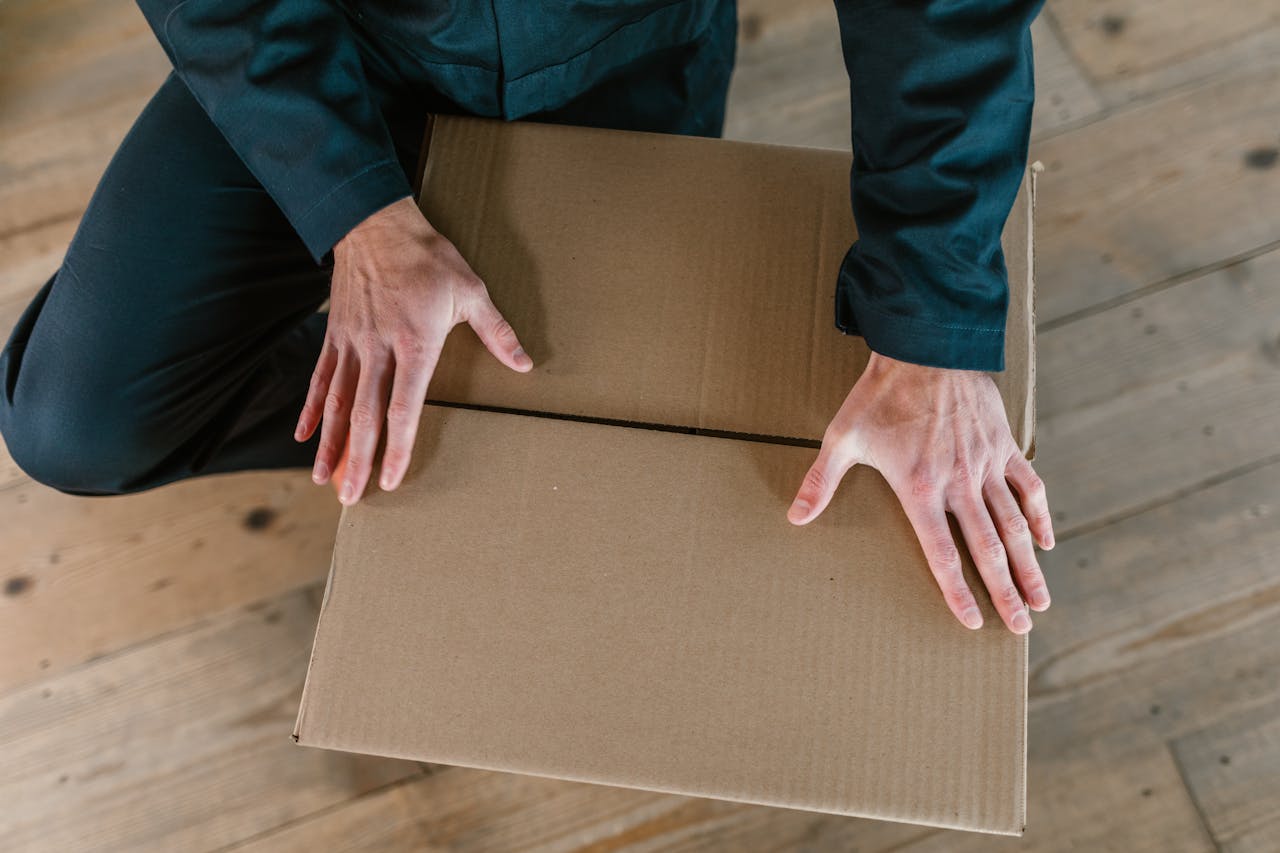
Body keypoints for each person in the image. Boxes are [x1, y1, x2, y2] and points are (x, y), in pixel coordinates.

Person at [0, 0, 1053, 635]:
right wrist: (355, 212)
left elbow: (942, 15)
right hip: (325, 50)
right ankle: (427, 423)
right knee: (77, 425)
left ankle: (464, 424)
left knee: (633, 444)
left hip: (623, 53)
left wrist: (932, 324)